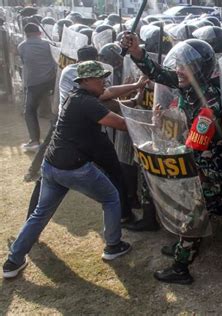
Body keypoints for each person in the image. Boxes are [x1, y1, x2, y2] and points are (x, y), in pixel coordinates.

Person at [3, 61, 132, 279]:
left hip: (52, 165)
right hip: (73, 168)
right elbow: (121, 124)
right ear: (86, 81)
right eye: (100, 78)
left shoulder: (77, 95)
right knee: (111, 197)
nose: (104, 81)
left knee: (40, 213)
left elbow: (108, 93)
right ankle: (113, 245)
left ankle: (13, 261)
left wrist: (135, 86)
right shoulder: (87, 102)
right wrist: (151, 121)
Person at [120, 34, 222, 284]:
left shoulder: (209, 104)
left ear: (199, 70)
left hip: (209, 173)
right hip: (198, 167)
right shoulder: (189, 86)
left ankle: (181, 268)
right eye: (177, 64)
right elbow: (158, 74)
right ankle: (185, 245)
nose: (178, 71)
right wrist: (137, 52)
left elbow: (192, 148)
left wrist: (160, 150)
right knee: (191, 212)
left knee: (193, 216)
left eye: (184, 66)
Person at [18, 23, 57, 152]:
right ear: (39, 33)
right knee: (56, 111)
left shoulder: (22, 46)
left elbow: (25, 62)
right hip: (51, 82)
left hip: (34, 84)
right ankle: (56, 139)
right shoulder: (48, 44)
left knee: (29, 111)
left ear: (26, 34)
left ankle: (34, 141)